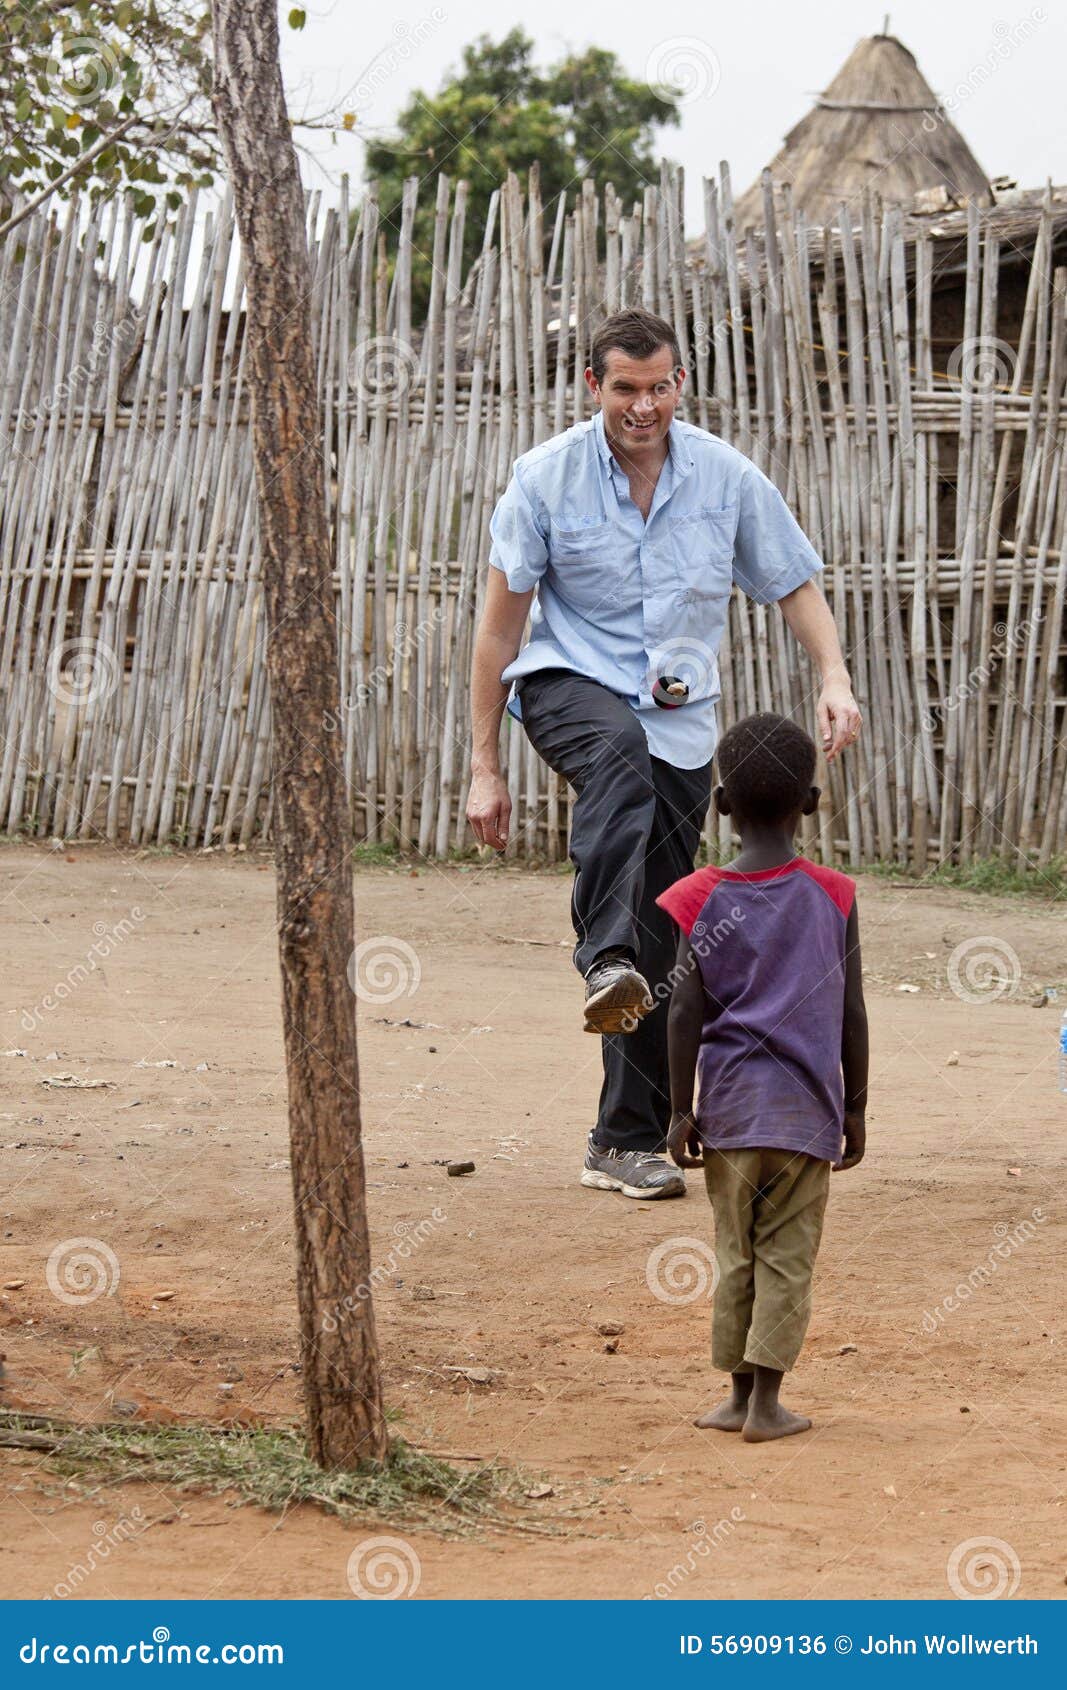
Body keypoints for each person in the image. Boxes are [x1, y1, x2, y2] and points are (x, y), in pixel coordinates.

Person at [466, 307, 862, 1200]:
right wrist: (484, 767)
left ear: (678, 382)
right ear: (591, 387)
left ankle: (621, 1140)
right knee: (615, 757)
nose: (642, 406)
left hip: (678, 716)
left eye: (658, 387)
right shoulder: (545, 479)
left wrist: (832, 675)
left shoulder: (723, 476)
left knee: (665, 930)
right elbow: (499, 629)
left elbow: (792, 580)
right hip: (571, 683)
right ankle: (598, 955)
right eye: (623, 389)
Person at [656, 712, 869, 1441]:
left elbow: (682, 1011)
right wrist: (856, 1110)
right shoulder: (834, 895)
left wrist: (679, 1110)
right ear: (808, 802)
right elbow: (852, 1014)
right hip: (806, 1116)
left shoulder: (696, 896)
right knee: (785, 1256)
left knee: (734, 1252)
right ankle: (768, 1405)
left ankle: (733, 1395)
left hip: (728, 1114)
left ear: (719, 804)